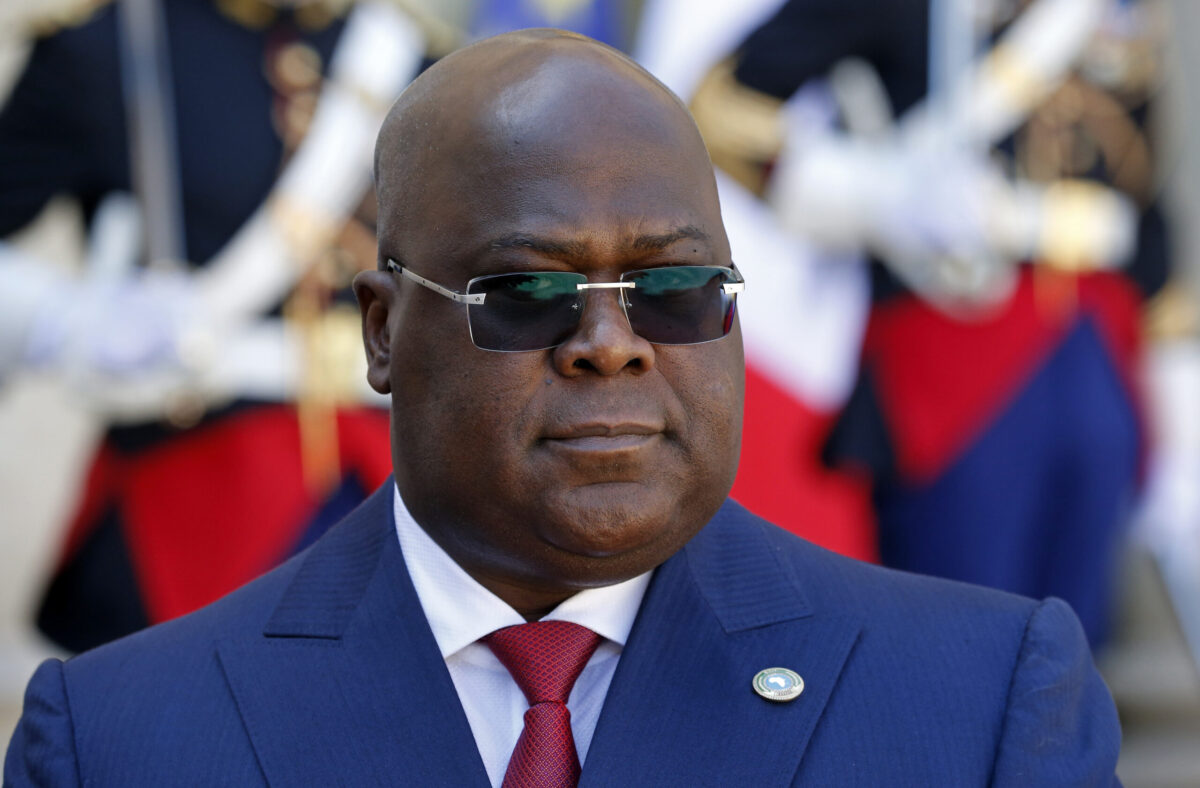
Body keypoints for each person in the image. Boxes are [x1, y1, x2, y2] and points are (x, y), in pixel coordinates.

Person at [5, 29, 1120, 786]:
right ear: (385, 332)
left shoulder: (983, 706)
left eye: (676, 291)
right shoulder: (120, 740)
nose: (609, 345)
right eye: (526, 293)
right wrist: (73, 318)